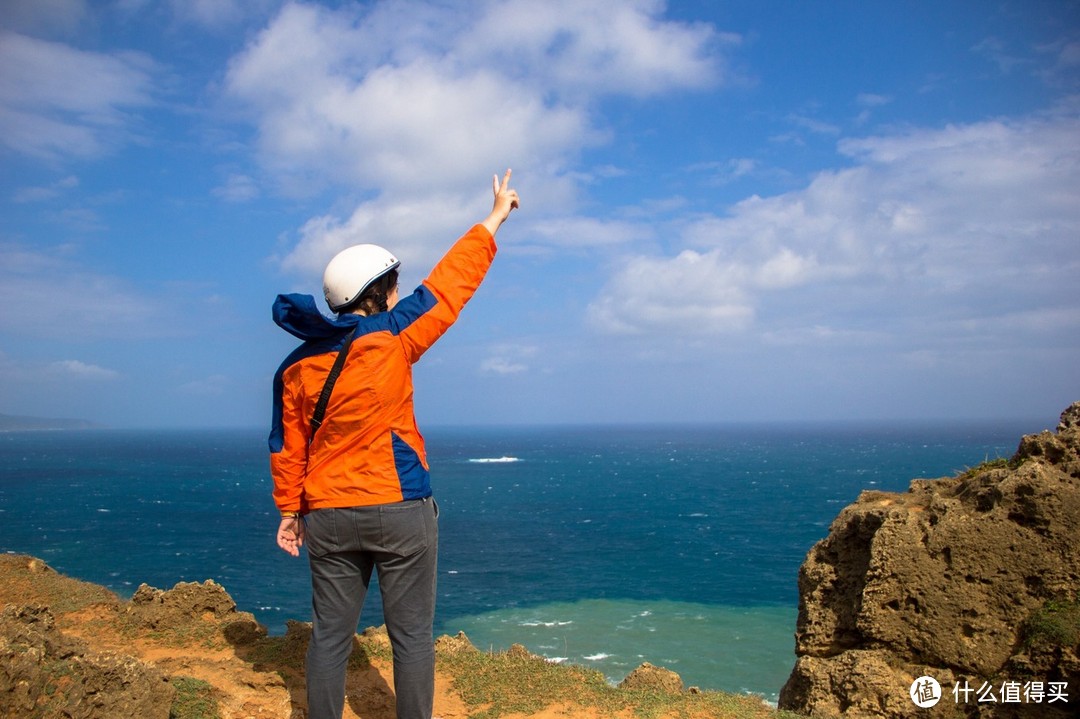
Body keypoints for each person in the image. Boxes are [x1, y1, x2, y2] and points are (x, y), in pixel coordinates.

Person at [269, 170, 520, 719]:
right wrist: (495, 218)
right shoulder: (392, 336)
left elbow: (287, 446)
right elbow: (451, 285)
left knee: (329, 638)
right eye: (394, 285)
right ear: (379, 293)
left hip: (329, 513)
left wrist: (290, 511)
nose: (400, 293)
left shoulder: (295, 367)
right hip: (399, 507)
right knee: (411, 638)